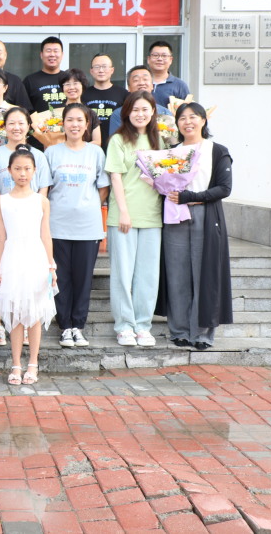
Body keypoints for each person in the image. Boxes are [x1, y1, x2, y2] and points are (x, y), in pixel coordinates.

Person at [158, 102, 233, 351]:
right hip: (175, 217)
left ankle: (202, 333)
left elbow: (224, 188)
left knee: (204, 275)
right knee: (176, 274)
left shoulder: (216, 151)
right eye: (182, 118)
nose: (188, 122)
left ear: (203, 120)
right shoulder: (171, 152)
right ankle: (179, 330)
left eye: (193, 117)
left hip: (205, 216)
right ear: (177, 123)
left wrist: (191, 197)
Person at [0, 107, 50, 346]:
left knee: (28, 280)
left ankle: (27, 325)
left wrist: (29, 211)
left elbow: (43, 189)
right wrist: (8, 210)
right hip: (1, 224)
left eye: (21, 123)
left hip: (30, 230)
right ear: (4, 127)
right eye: (12, 123)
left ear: (29, 127)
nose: (17, 127)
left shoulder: (38, 156)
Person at [45, 103, 110, 348]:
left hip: (87, 227)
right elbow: (45, 188)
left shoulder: (96, 153)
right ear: (62, 124)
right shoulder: (52, 152)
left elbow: (103, 187)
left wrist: (87, 205)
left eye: (79, 120)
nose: (74, 125)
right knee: (60, 278)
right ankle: (64, 327)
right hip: (57, 225)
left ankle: (78, 327)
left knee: (83, 280)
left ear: (87, 125)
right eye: (70, 120)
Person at [0, 146, 57, 386]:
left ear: (34, 170)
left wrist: (51, 266)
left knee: (35, 313)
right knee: (15, 313)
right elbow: (1, 236)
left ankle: (33, 363)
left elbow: (46, 234)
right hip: (11, 258)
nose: (22, 173)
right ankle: (16, 364)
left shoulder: (41, 201)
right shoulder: (2, 201)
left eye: (27, 169)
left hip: (35, 258)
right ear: (9, 170)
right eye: (17, 168)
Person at [106, 90, 163, 348]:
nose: (140, 114)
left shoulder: (160, 141)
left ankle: (143, 326)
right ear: (127, 112)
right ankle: (124, 326)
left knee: (148, 275)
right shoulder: (118, 140)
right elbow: (115, 177)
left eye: (145, 109)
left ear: (153, 112)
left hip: (152, 215)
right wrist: (124, 211)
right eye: (135, 109)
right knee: (123, 273)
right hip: (124, 216)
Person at [86, 54, 126, 146]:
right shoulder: (84, 94)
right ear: (91, 71)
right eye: (97, 67)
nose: (101, 70)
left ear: (112, 70)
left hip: (116, 145)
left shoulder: (123, 94)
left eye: (104, 66)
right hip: (90, 146)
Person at [108, 65, 160, 137]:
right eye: (136, 80)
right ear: (128, 87)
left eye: (145, 79)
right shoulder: (119, 114)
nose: (141, 83)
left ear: (152, 86)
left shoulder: (165, 112)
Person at [24, 36, 68, 112]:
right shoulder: (30, 81)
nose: (52, 54)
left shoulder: (69, 78)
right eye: (48, 51)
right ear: (41, 55)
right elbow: (25, 109)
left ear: (62, 55)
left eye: (56, 51)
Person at [146, 40, 189, 110]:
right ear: (148, 59)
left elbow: (187, 110)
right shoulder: (142, 83)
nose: (160, 59)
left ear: (171, 60)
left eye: (164, 56)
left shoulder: (180, 85)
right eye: (155, 55)